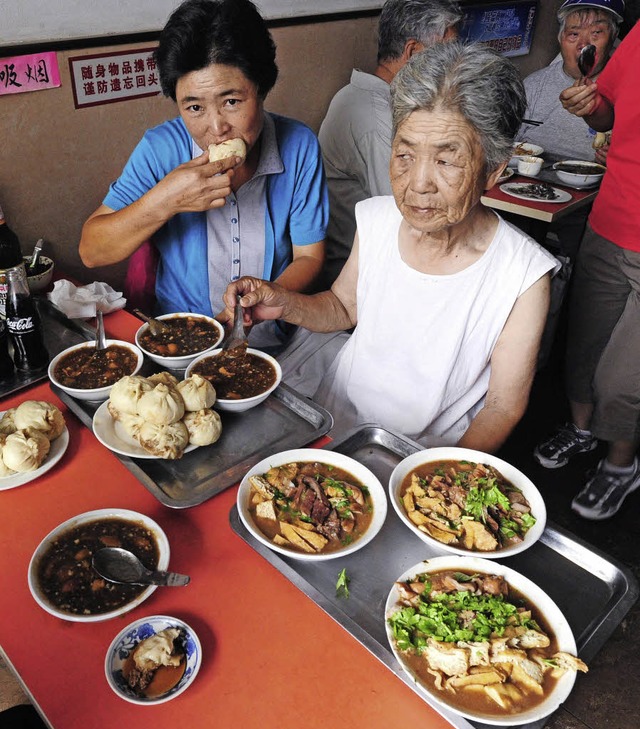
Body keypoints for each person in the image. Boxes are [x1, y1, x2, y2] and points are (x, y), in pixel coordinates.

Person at [223, 42, 558, 452]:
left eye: (446, 161)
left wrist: (437, 482)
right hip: (333, 424)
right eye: (404, 154)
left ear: (494, 170)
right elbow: (344, 307)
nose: (417, 183)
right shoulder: (379, 219)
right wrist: (284, 302)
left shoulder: (521, 274)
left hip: (423, 452)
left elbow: (503, 406)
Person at [79, 0, 328, 351]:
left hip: (275, 343)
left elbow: (309, 256)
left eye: (231, 102)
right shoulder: (160, 149)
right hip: (181, 345)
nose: (216, 127)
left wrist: (263, 299)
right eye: (194, 107)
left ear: (261, 88)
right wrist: (167, 200)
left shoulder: (298, 144)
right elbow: (92, 249)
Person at [533, 16, 640, 520]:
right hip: (608, 220)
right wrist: (590, 106)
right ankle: (580, 431)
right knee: (583, 346)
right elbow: (609, 115)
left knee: (622, 378)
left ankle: (621, 464)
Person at [317, 0, 461, 288]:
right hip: (359, 274)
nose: (456, 63)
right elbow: (411, 212)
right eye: (449, 51)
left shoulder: (373, 99)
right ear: (413, 52)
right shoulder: (375, 117)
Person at [518, 0, 622, 163]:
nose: (584, 44)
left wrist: (620, 157)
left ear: (613, 38)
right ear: (561, 39)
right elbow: (507, 145)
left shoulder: (629, 88)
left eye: (596, 32)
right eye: (574, 34)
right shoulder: (533, 85)